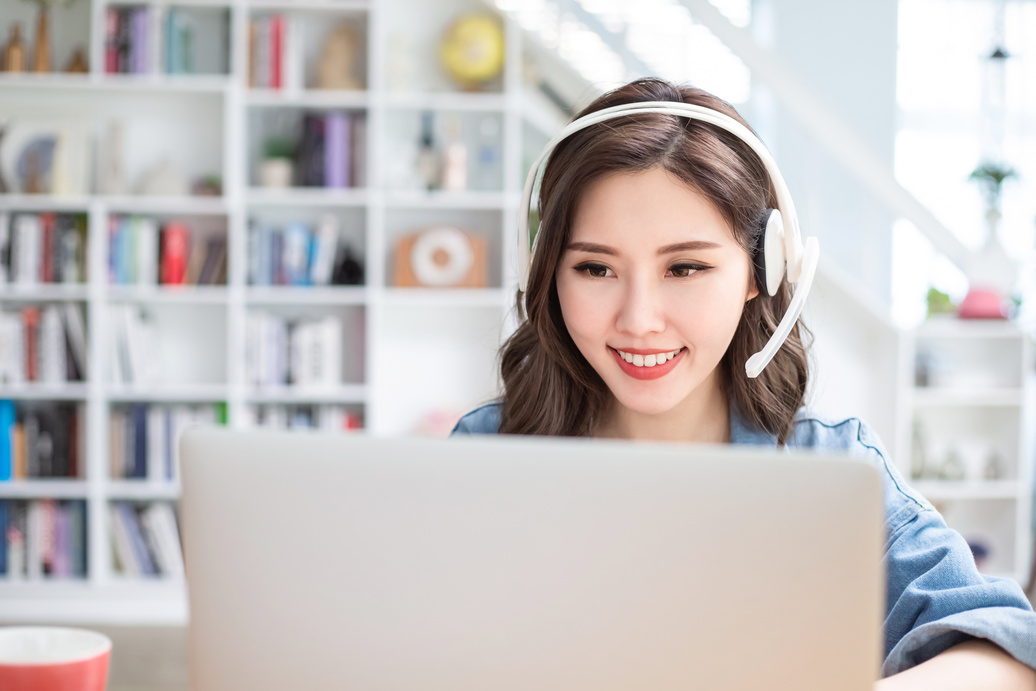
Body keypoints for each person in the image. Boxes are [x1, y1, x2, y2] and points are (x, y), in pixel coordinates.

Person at [451, 78, 1036, 688]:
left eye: (686, 267)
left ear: (763, 269)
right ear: (547, 272)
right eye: (595, 267)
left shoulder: (828, 466)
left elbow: (1007, 652)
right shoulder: (489, 450)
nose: (639, 320)